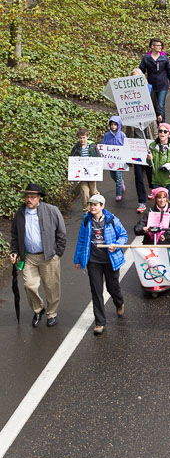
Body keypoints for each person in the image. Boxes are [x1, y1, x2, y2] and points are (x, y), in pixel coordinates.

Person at [10, 183, 67, 327]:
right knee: (29, 285)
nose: (29, 200)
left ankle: (52, 314)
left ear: (39, 198)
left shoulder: (51, 210)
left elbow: (61, 233)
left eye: (33, 197)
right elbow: (15, 234)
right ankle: (38, 309)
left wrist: (57, 253)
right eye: (27, 197)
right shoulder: (20, 213)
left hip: (49, 256)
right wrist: (14, 251)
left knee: (51, 287)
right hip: (29, 257)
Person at [73, 194, 127, 335]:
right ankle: (100, 322)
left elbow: (123, 236)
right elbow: (81, 240)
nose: (92, 207)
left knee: (112, 287)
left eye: (95, 205)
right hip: (93, 261)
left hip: (110, 260)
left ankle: (119, 302)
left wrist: (116, 245)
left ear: (102, 206)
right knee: (96, 291)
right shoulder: (86, 220)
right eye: (91, 204)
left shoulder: (112, 220)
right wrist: (77, 259)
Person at [139, 38, 170, 121]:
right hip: (151, 85)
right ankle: (155, 123)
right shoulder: (146, 58)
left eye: (161, 45)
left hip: (163, 85)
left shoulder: (164, 57)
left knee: (160, 105)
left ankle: (162, 124)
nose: (160, 47)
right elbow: (141, 71)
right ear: (152, 46)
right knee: (152, 105)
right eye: (158, 45)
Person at [69, 128, 100, 211]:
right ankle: (86, 210)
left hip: (92, 174)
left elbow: (98, 157)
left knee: (93, 192)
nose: (82, 140)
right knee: (85, 192)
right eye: (80, 138)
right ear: (78, 138)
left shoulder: (92, 146)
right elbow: (72, 160)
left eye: (83, 137)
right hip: (82, 175)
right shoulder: (76, 148)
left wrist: (97, 170)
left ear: (87, 137)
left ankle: (97, 207)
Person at [100, 115, 126, 203]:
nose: (113, 126)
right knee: (113, 175)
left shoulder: (122, 135)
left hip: (119, 160)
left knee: (118, 176)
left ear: (118, 125)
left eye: (115, 124)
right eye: (111, 124)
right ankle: (121, 182)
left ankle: (118, 194)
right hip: (110, 160)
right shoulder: (107, 135)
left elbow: (126, 146)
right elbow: (103, 145)